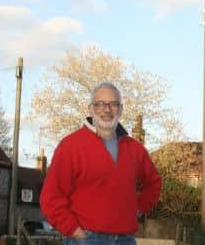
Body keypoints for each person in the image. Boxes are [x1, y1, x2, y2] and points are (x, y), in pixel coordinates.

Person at [40, 82, 162, 245]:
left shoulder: (134, 149)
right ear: (90, 109)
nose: (107, 109)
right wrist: (74, 231)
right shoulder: (70, 146)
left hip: (125, 239)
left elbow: (153, 182)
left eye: (113, 104)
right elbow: (50, 198)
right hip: (87, 239)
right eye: (100, 104)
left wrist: (138, 209)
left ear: (121, 109)